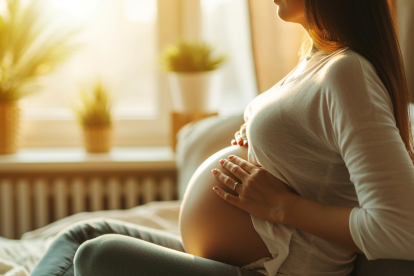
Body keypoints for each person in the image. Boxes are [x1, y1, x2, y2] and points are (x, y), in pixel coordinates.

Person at [30, 0, 414, 275]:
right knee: (79, 234)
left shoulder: (349, 72)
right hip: (234, 258)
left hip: (274, 269)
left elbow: (401, 229)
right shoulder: (315, 58)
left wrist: (284, 207)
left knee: (98, 256)